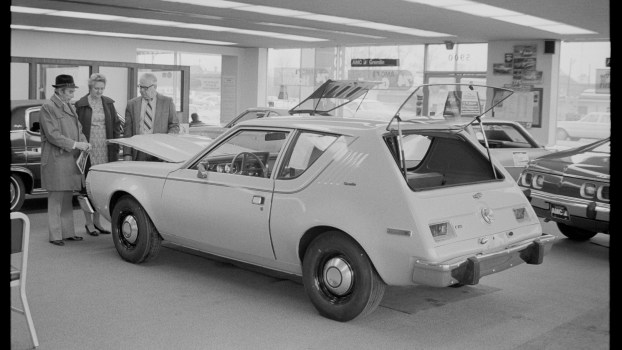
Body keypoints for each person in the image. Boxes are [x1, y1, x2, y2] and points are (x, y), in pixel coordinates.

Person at [39, 74, 91, 246]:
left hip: (69, 157)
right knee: (56, 197)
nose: (72, 95)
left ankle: (68, 232)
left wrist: (84, 142)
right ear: (60, 91)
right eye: (69, 91)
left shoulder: (69, 106)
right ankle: (55, 235)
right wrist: (76, 144)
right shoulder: (48, 107)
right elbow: (53, 135)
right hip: (56, 158)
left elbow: (79, 129)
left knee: (68, 196)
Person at [75, 73, 122, 236]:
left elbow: (116, 125)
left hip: (105, 149)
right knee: (87, 186)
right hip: (88, 149)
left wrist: (115, 144)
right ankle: (88, 223)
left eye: (102, 88)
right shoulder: (80, 105)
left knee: (101, 187)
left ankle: (98, 221)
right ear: (90, 87)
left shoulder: (108, 103)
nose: (99, 91)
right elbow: (77, 128)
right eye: (96, 88)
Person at [123, 72, 179, 161]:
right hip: (139, 151)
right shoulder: (132, 104)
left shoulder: (167, 102)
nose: (141, 90)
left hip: (160, 152)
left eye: (145, 88)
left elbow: (174, 126)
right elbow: (127, 132)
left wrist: (168, 144)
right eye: (140, 87)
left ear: (155, 87)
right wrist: (127, 153)